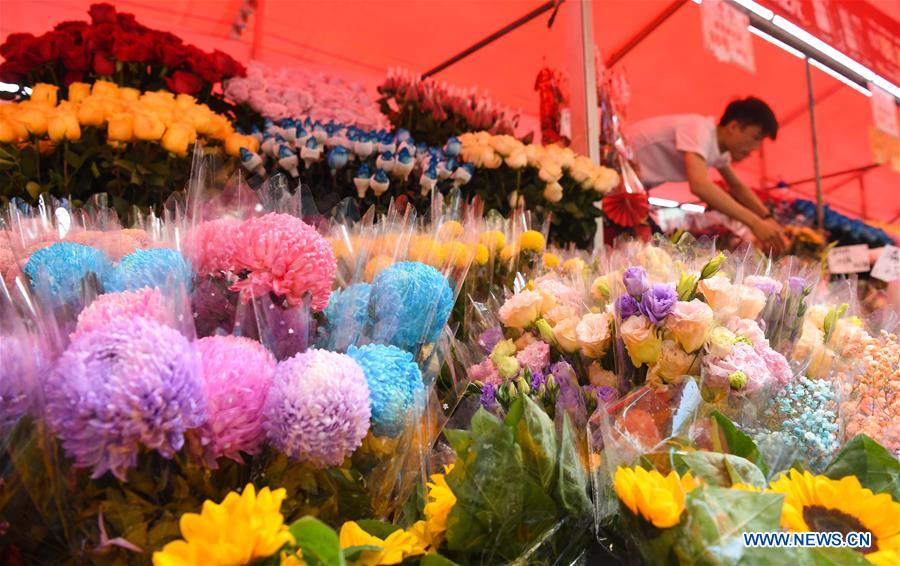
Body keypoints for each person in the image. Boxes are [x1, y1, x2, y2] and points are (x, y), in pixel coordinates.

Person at [626, 97, 788, 254]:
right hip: (616, 172)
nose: (755, 148)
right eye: (755, 138)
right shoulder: (700, 129)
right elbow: (700, 186)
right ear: (733, 127)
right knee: (653, 252)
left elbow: (738, 187)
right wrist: (755, 223)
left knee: (655, 251)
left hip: (631, 190)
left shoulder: (719, 151)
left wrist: (767, 218)